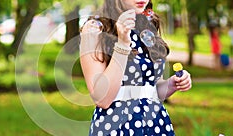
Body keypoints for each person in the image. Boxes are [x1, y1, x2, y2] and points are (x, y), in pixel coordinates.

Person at [79, 0, 192, 135]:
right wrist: (122, 44)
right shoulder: (95, 29)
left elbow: (149, 89)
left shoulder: (146, 25)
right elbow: (102, 99)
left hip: (156, 124)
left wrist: (171, 84)